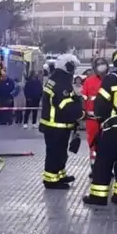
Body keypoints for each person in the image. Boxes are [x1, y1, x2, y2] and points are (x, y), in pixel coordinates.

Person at [83, 44, 117, 206]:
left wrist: (100, 118)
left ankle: (98, 197)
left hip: (114, 129)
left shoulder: (113, 78)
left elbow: (100, 106)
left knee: (103, 162)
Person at [39, 53, 83, 189]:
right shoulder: (61, 83)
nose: (74, 71)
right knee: (55, 153)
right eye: (73, 68)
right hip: (56, 126)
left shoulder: (55, 79)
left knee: (60, 152)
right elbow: (65, 106)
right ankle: (51, 180)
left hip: (55, 125)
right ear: (68, 67)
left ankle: (60, 175)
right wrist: (80, 108)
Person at [81, 57, 110, 170]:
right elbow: (83, 99)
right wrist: (82, 114)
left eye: (103, 64)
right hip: (92, 119)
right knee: (93, 144)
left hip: (108, 119)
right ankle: (95, 167)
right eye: (98, 64)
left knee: (108, 144)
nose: (101, 66)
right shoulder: (89, 81)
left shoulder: (111, 80)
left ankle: (106, 167)